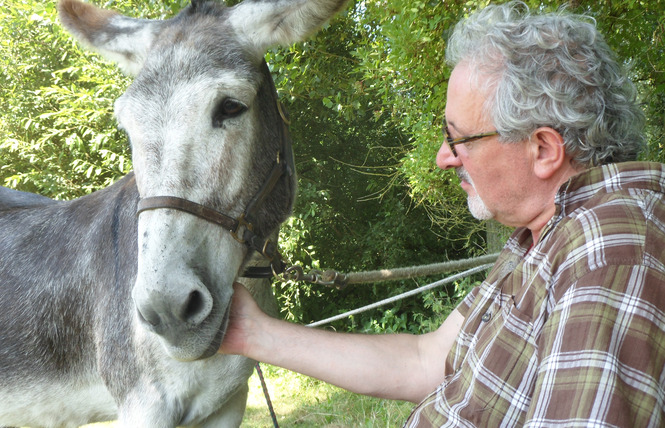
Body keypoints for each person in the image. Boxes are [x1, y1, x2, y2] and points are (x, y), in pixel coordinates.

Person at [220, 2, 665, 426]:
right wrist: (252, 332)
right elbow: (425, 360)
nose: (442, 158)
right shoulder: (542, 237)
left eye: (459, 139)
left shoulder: (608, 250)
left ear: (544, 149)